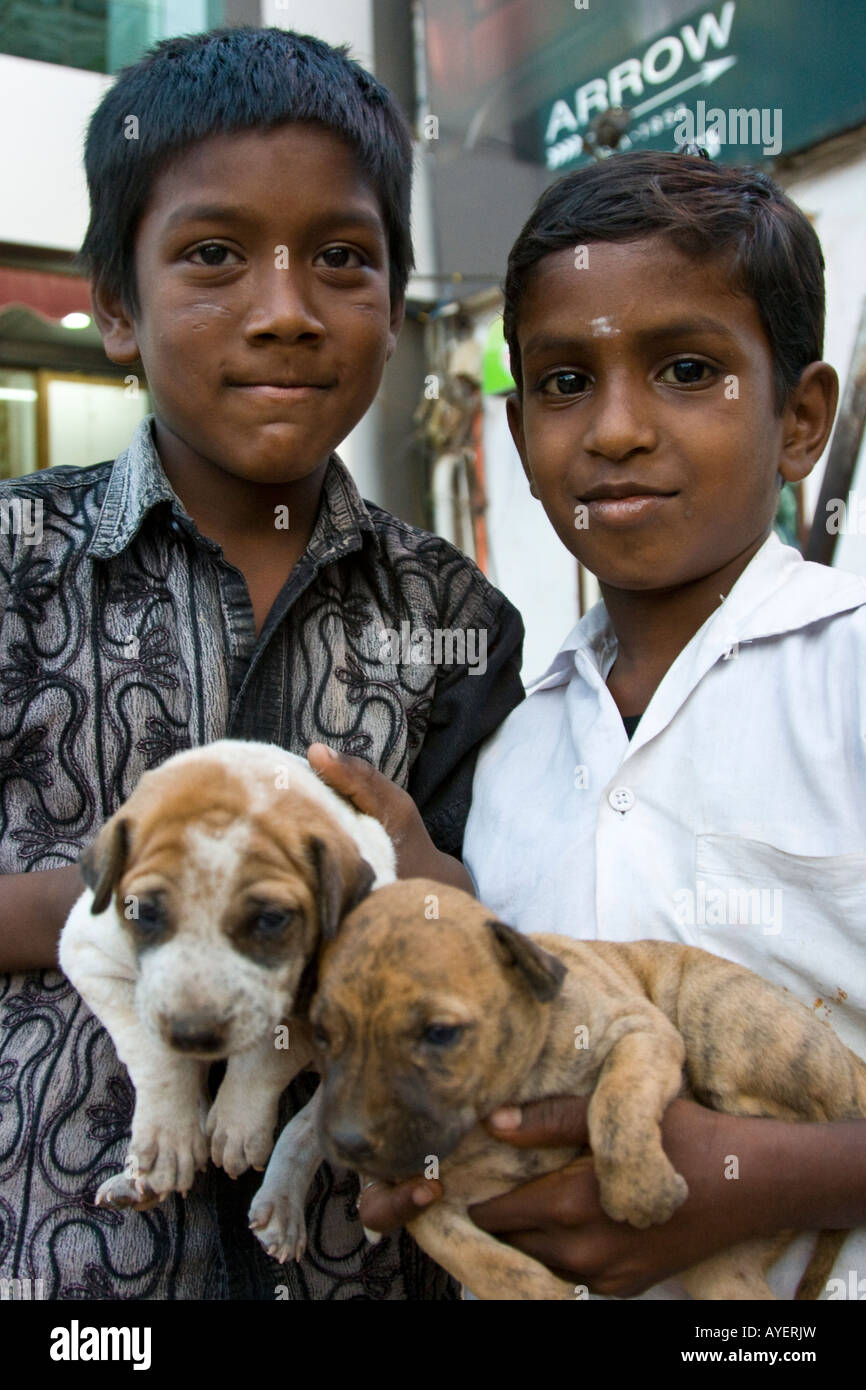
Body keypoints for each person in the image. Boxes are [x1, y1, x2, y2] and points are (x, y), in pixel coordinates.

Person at [0, 26, 524, 1301]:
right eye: (215, 255)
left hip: (363, 1262)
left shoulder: (455, 615)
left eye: (339, 258)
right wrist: (160, 902)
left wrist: (417, 888)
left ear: (393, 310)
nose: (284, 311)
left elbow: (478, 922)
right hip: (65, 1273)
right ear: (115, 307)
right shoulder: (17, 563)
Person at [360, 152, 866, 1300]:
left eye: (686, 370)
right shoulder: (511, 749)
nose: (616, 429)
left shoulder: (846, 674)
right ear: (517, 422)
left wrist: (754, 1174)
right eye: (564, 380)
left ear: (797, 420)